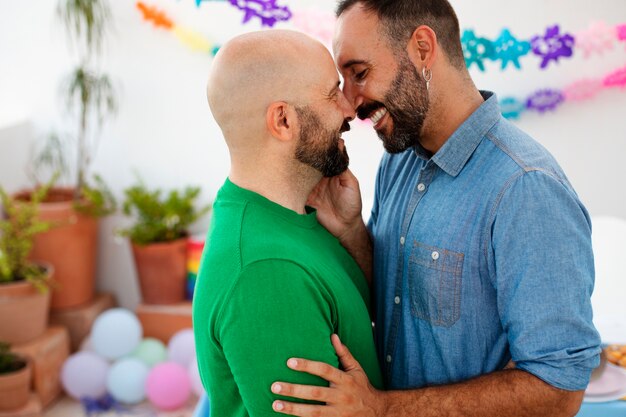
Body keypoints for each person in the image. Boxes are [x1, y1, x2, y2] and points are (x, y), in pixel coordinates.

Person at [269, 1, 601, 416]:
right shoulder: (400, 158)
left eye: (360, 74)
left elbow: (558, 389)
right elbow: (398, 300)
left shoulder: (525, 188)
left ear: (423, 49)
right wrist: (353, 231)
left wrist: (382, 409)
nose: (351, 105)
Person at [191, 29, 383, 417]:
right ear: (283, 120)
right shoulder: (267, 272)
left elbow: (356, 317)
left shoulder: (296, 215)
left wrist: (350, 230)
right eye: (333, 93)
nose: (349, 109)